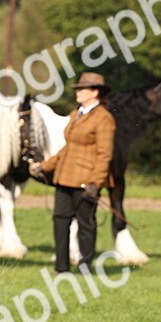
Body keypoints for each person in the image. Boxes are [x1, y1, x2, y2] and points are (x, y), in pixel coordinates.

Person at [31, 72, 115, 274]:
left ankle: (85, 267)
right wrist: (45, 166)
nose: (77, 92)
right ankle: (61, 267)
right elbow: (67, 148)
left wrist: (96, 182)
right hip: (65, 176)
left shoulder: (104, 118)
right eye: (77, 88)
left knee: (86, 224)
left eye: (82, 89)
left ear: (94, 92)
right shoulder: (76, 113)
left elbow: (105, 155)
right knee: (60, 220)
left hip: (86, 179)